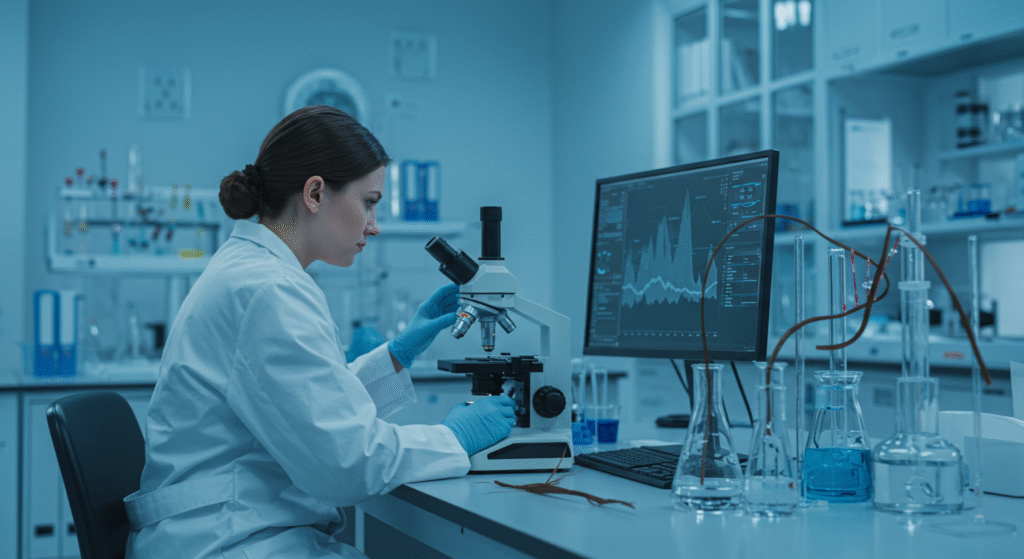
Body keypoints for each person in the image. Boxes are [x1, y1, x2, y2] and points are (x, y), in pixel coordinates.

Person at [124, 105, 517, 558]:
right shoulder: (270, 289)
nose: (374, 225)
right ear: (314, 193)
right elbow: (347, 463)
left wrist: (396, 355)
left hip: (231, 530)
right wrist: (455, 438)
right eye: (368, 203)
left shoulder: (254, 272)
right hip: (227, 541)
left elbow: (305, 411)